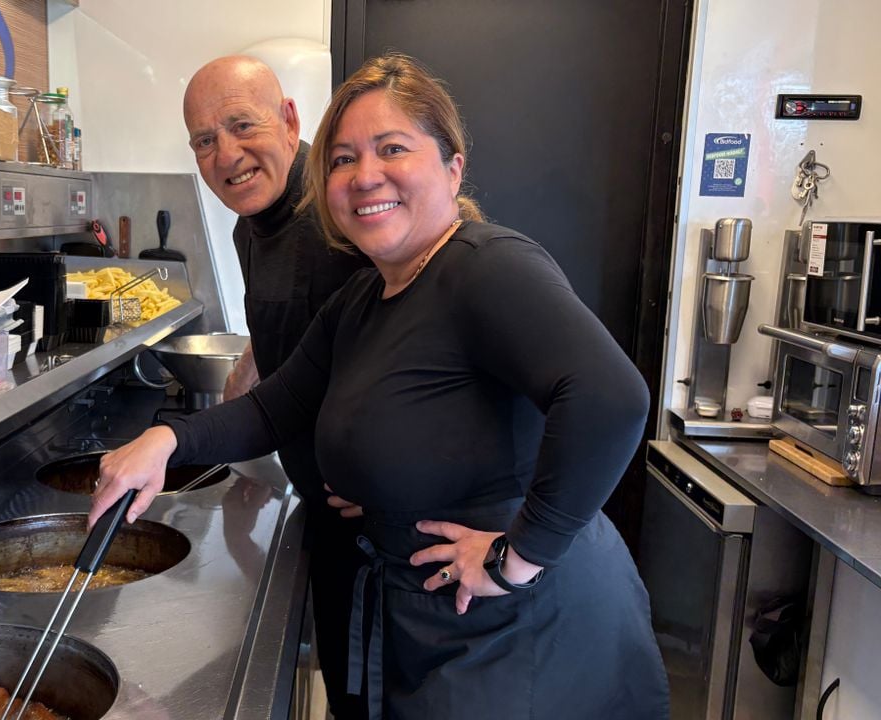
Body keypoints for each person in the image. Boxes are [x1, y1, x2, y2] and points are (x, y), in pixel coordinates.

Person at [97, 53, 670, 719]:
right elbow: (277, 405)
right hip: (427, 609)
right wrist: (167, 438)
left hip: (517, 623)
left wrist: (521, 554)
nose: (365, 174)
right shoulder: (368, 296)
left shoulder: (485, 268)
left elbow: (610, 397)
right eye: (343, 159)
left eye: (391, 148)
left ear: (452, 165)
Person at [181, 56, 373, 719]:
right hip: (320, 493)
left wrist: (389, 465)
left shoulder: (349, 209)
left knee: (370, 692)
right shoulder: (248, 227)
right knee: (345, 684)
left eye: (241, 125)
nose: (226, 154)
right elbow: (280, 334)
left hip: (380, 522)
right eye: (204, 140)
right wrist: (246, 420)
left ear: (289, 119)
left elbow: (417, 341)